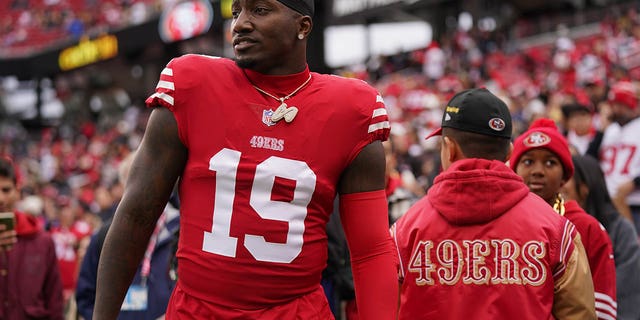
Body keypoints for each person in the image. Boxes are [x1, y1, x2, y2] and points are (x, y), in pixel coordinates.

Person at [94, 1, 398, 319]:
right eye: (236, 11)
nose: (240, 24)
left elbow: (370, 250)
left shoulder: (352, 109)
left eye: (260, 10)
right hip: (197, 312)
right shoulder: (193, 83)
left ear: (303, 26)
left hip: (294, 312)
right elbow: (136, 216)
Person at [390, 88, 596, 319]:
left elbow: (384, 309)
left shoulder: (404, 231)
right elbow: (580, 314)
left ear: (449, 148)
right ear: (509, 152)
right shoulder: (556, 229)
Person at [511, 118, 617, 320]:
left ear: (565, 176)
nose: (538, 171)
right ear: (514, 171)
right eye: (528, 161)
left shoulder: (587, 227)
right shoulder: (503, 222)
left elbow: (601, 308)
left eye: (550, 162)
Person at [76, 151, 180, 320]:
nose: (143, 187)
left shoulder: (180, 228)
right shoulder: (105, 235)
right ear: (123, 186)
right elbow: (86, 298)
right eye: (135, 179)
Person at [563, 154, 640, 320]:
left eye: (566, 179)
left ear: (585, 188)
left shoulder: (620, 229)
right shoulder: (557, 226)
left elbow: (626, 294)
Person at [0, 156, 64, 319]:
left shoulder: (42, 241)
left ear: (18, 190)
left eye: (6, 190)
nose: (0, 199)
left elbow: (54, 299)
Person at [586, 80, 640, 230]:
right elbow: (588, 161)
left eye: (621, 105)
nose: (616, 109)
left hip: (635, 203)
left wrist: (635, 182)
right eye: (614, 105)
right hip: (607, 204)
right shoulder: (609, 130)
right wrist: (601, 131)